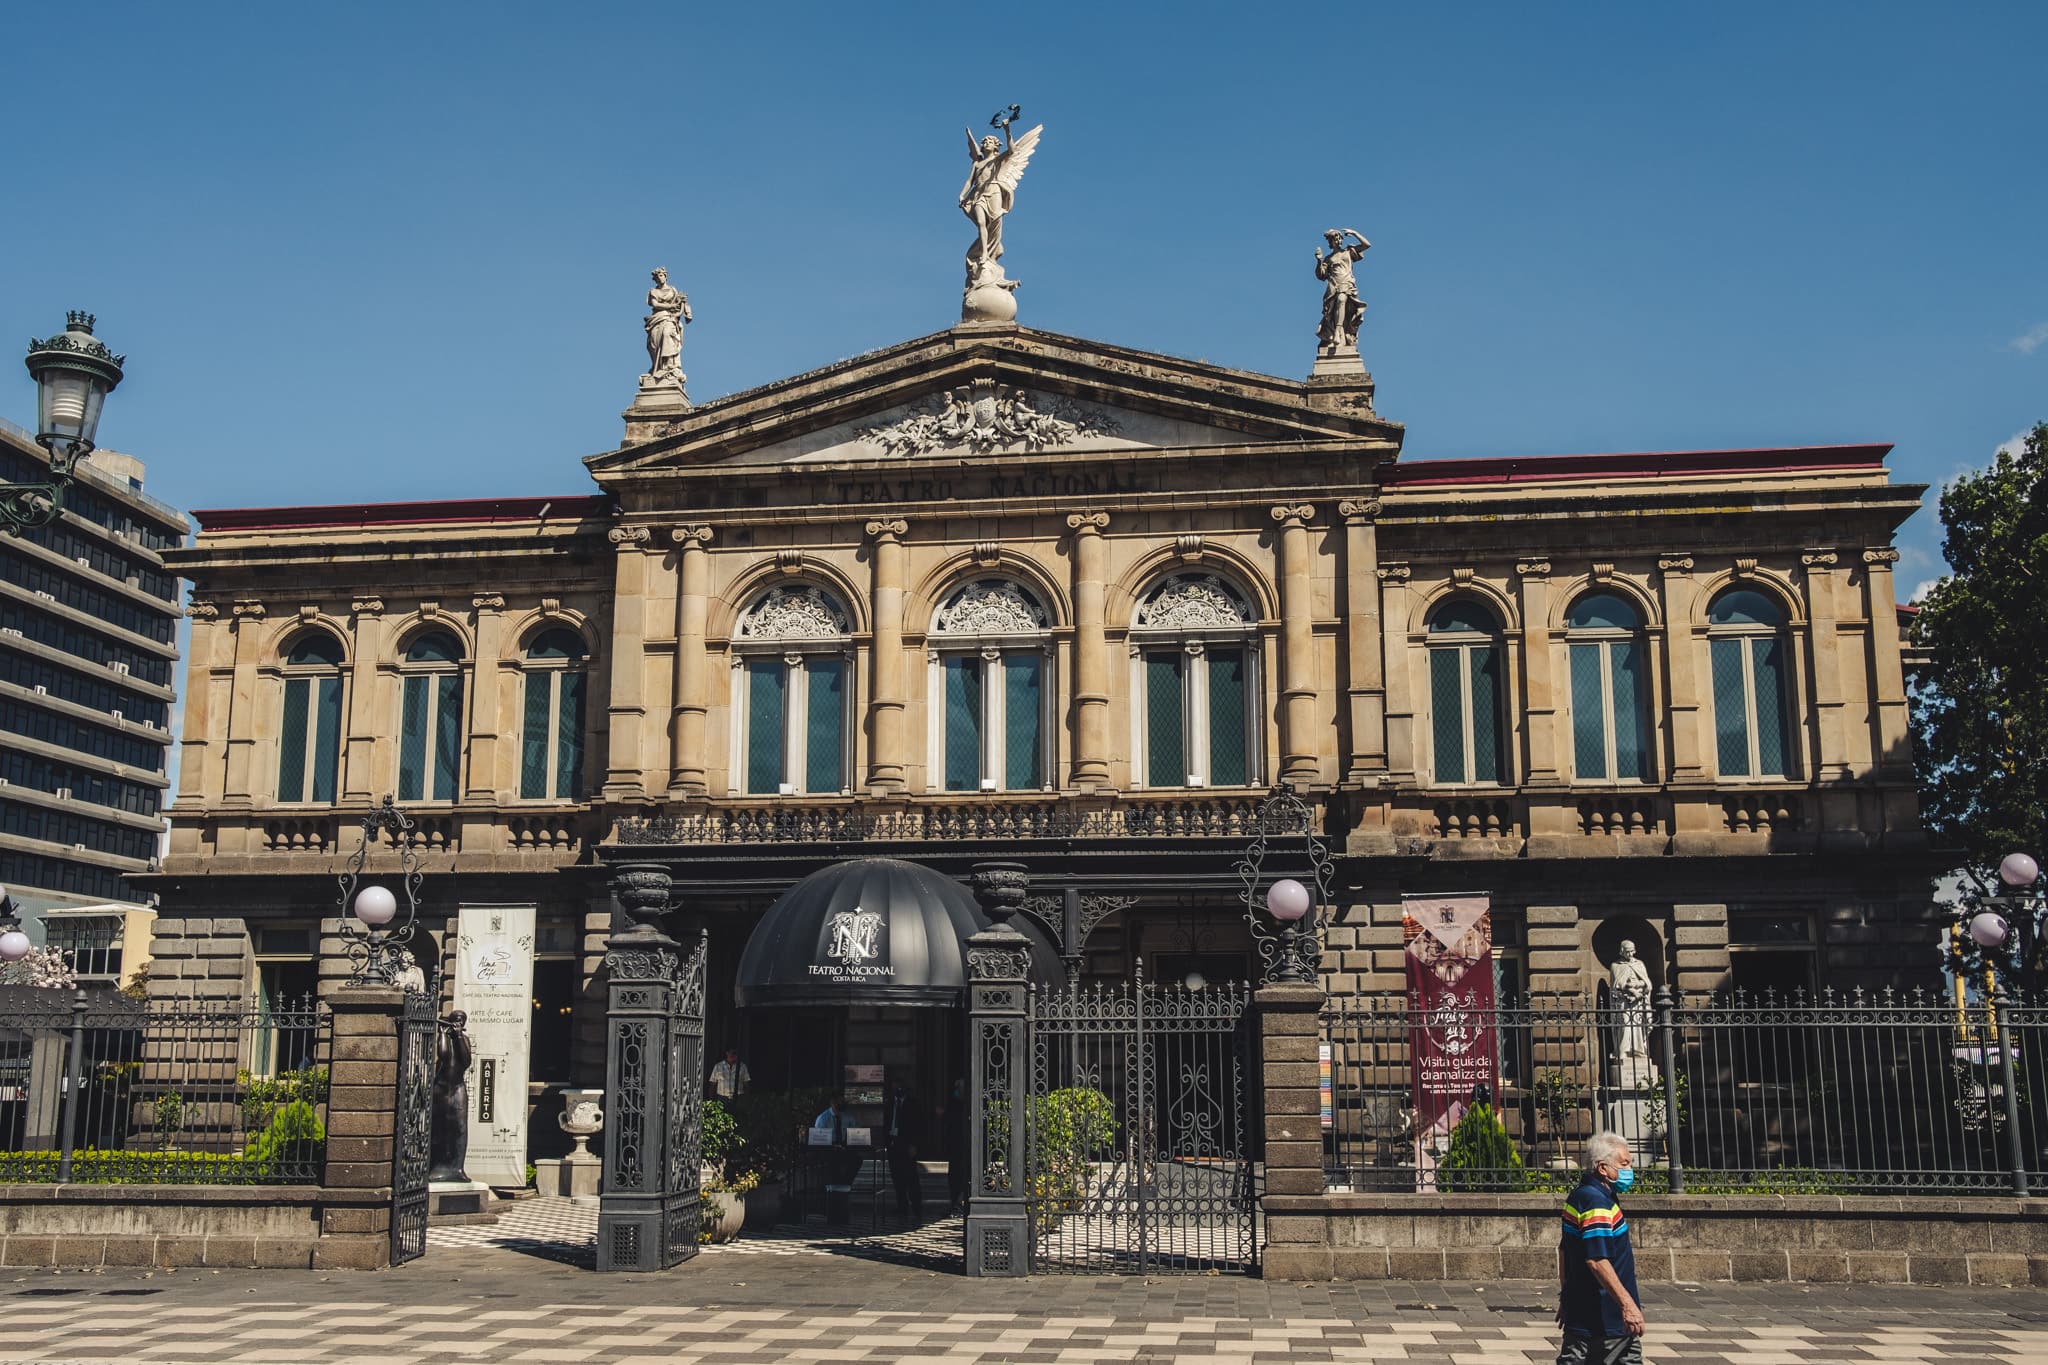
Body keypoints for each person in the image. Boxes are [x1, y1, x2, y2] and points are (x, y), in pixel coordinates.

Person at [1557, 1131, 1646, 1365]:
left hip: (1589, 1314)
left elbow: (1564, 1250)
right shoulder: (1596, 1202)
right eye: (1624, 1164)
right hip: (1606, 1317)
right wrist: (1628, 1305)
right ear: (1603, 1168)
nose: (1629, 1170)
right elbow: (1597, 1260)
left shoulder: (1582, 1195)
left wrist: (1566, 1297)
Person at [885, 1076, 924, 1222]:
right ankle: (902, 1206)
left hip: (907, 1144)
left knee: (911, 1177)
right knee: (897, 1178)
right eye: (894, 1087)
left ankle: (916, 1206)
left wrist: (914, 1145)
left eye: (899, 1087)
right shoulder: (890, 1103)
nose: (897, 1089)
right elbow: (886, 1123)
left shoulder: (913, 1104)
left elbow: (918, 1125)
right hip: (893, 1144)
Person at [943, 1077, 969, 1213]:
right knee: (954, 1176)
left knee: (963, 1174)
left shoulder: (966, 1104)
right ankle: (955, 1202)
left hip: (965, 1146)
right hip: (955, 1146)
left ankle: (960, 1202)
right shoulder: (953, 1103)